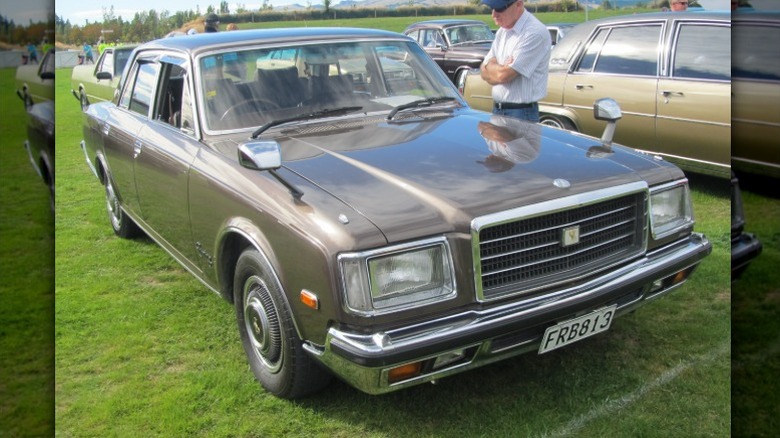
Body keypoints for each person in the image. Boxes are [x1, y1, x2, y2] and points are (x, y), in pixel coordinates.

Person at [479, 0, 550, 123]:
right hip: (498, 109)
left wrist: (493, 69)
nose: (494, 14)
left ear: (518, 5)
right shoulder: (502, 31)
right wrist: (499, 69)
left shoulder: (534, 32)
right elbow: (483, 71)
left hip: (521, 113)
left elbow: (503, 76)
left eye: (500, 8)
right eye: (492, 9)